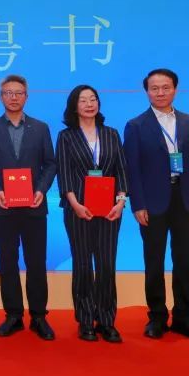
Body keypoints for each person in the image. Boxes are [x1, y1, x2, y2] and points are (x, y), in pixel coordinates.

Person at [123, 68, 189, 343]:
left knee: (184, 261)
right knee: (154, 261)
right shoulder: (136, 126)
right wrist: (137, 204)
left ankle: (185, 318)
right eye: (154, 88)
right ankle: (157, 317)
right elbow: (132, 170)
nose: (160, 92)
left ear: (175, 89)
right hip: (152, 203)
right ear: (146, 92)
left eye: (165, 87)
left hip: (185, 200)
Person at [0, 75, 58, 340]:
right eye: (8, 93)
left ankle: (39, 316)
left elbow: (50, 164)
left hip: (34, 206)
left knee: (37, 262)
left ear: (26, 97)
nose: (13, 97)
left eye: (18, 93)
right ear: (1, 97)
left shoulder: (41, 128)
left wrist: (41, 190)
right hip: (3, 207)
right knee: (7, 261)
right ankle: (13, 315)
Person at [56, 84, 128, 343]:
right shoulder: (66, 136)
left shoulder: (111, 134)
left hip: (110, 210)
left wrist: (121, 202)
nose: (89, 104)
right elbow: (64, 173)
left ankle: (107, 320)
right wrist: (75, 204)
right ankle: (86, 320)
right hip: (78, 210)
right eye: (83, 100)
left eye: (93, 99)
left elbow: (121, 170)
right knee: (83, 265)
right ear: (74, 106)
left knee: (107, 264)